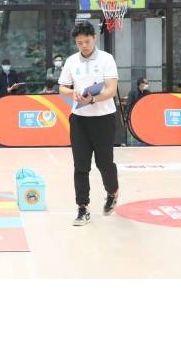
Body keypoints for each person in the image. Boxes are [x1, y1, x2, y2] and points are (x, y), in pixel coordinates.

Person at [58, 20, 120, 226]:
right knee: (81, 165)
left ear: (94, 38)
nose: (83, 46)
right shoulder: (71, 61)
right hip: (79, 120)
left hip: (104, 118)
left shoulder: (106, 59)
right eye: (79, 43)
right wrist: (73, 93)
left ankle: (112, 192)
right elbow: (62, 88)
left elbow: (111, 89)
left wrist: (93, 99)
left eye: (86, 41)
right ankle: (82, 208)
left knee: (104, 164)